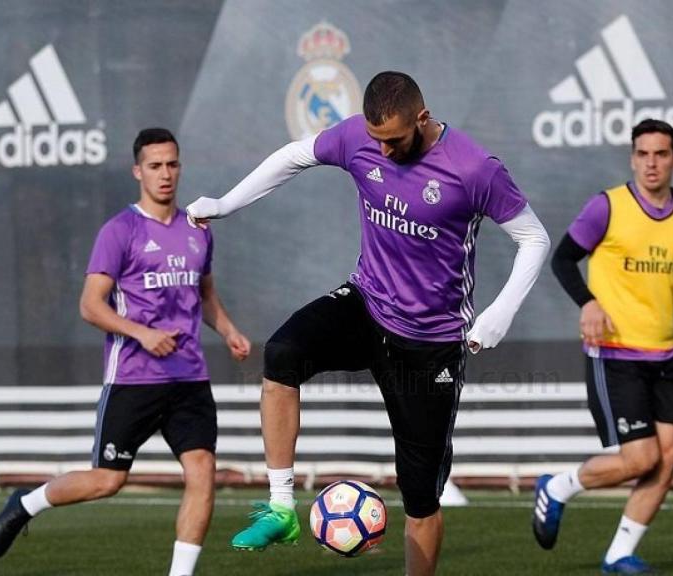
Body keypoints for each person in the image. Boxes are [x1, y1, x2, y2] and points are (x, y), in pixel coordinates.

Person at [186, 71, 550, 575]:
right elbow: (293, 156)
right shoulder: (360, 135)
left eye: (394, 140)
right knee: (283, 354)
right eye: (375, 140)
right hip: (367, 304)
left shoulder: (474, 168)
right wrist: (226, 204)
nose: (382, 152)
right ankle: (280, 507)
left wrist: (499, 312)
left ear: (422, 118)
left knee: (420, 498)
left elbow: (534, 239)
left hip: (430, 342)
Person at [0, 128, 251, 576]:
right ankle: (26, 503)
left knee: (202, 473)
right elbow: (90, 306)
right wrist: (142, 334)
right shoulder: (120, 230)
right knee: (108, 481)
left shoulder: (197, 229)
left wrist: (228, 330)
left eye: (172, 164)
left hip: (189, 378)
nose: (165, 174)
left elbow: (204, 294)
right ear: (137, 171)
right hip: (134, 377)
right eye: (155, 166)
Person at [535, 119, 673, 574]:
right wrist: (587, 303)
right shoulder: (607, 206)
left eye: (661, 154)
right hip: (615, 354)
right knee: (641, 457)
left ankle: (619, 553)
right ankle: (558, 486)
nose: (651, 163)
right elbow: (563, 259)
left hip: (666, 355)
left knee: (667, 457)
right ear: (632, 158)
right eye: (643, 154)